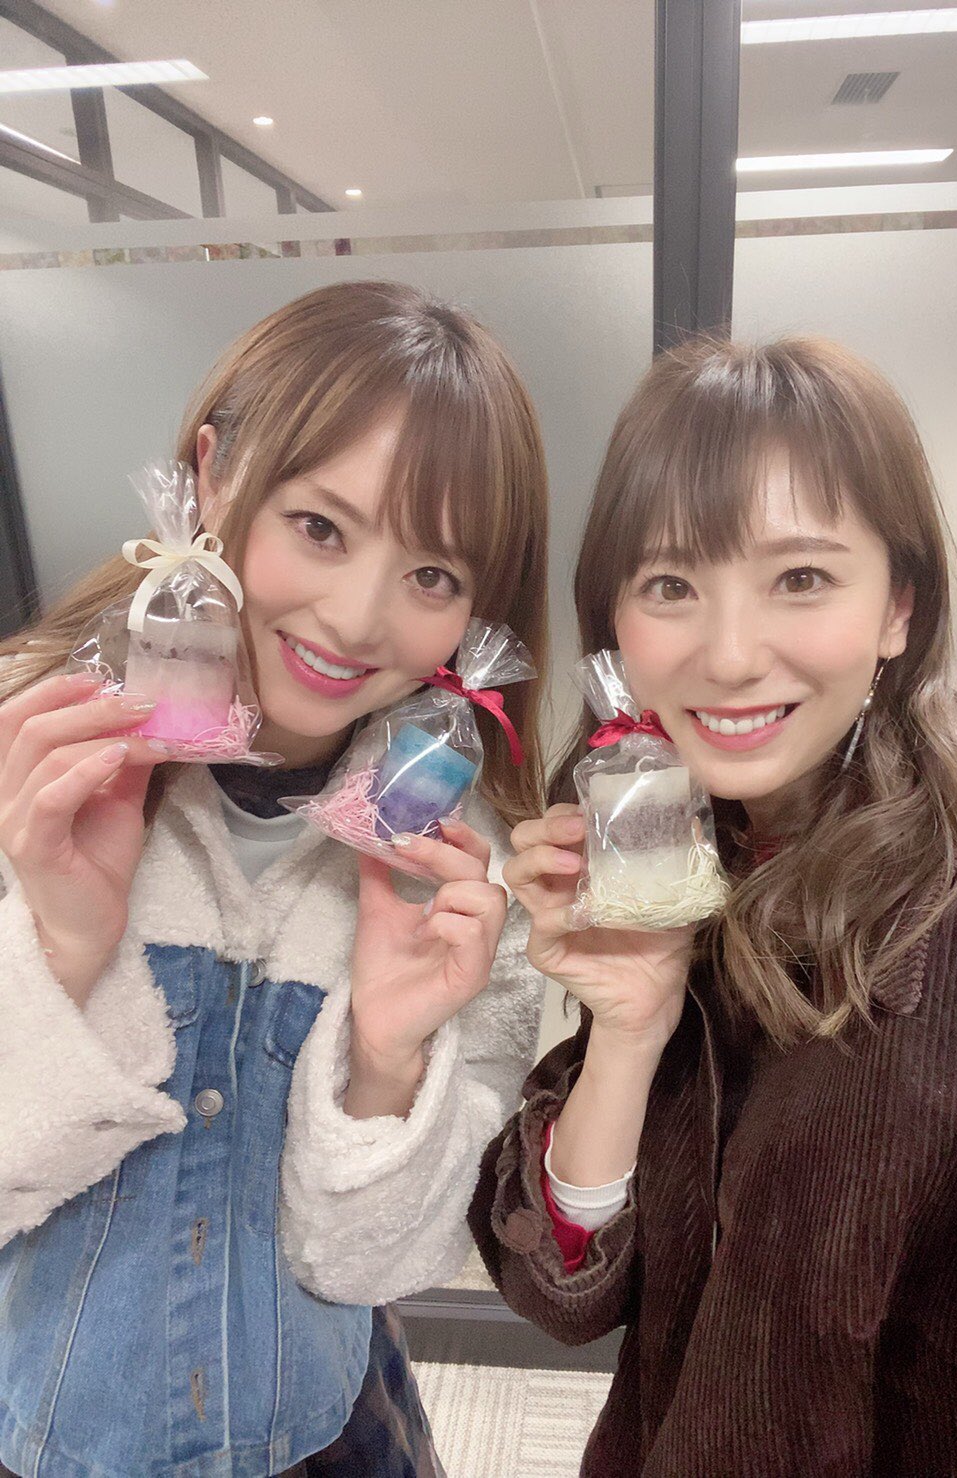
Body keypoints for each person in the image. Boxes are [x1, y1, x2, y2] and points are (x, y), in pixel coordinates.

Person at [471, 335, 957, 1476]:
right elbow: (561, 1289)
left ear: (899, 605)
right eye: (671, 586)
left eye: (801, 578)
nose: (727, 655)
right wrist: (627, 1032)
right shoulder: (666, 859)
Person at [0, 280, 549, 1478]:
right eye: (320, 526)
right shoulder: (29, 757)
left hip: (323, 1434)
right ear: (211, 474)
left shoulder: (460, 868)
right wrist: (62, 946)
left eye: (433, 575)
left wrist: (388, 1060)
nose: (354, 618)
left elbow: (377, 1263)